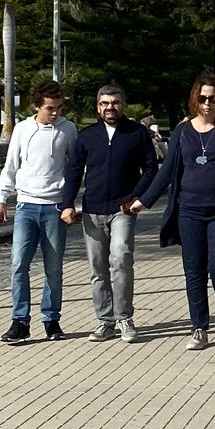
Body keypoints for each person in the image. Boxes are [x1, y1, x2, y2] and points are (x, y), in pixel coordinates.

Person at [130, 73, 215, 350]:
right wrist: (143, 201)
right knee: (194, 271)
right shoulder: (182, 132)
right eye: (203, 98)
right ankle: (199, 327)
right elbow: (168, 172)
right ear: (195, 99)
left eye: (213, 99)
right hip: (189, 212)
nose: (207, 104)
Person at [60, 84, 159, 342]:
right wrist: (67, 204)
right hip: (92, 210)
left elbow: (150, 169)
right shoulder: (88, 136)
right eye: (104, 103)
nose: (109, 107)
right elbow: (73, 172)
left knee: (122, 258)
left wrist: (137, 197)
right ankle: (105, 321)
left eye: (114, 102)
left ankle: (124, 317)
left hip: (122, 209)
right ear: (98, 107)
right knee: (98, 268)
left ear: (122, 105)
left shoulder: (137, 134)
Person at [0, 79, 77, 343]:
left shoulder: (68, 130)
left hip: (54, 207)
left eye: (59, 108)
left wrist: (70, 202)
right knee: (19, 264)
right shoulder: (22, 129)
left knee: (54, 268)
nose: (55, 113)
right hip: (26, 205)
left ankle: (52, 319)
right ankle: (20, 321)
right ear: (37, 105)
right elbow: (11, 166)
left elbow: (75, 169)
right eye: (51, 108)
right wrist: (1, 199)